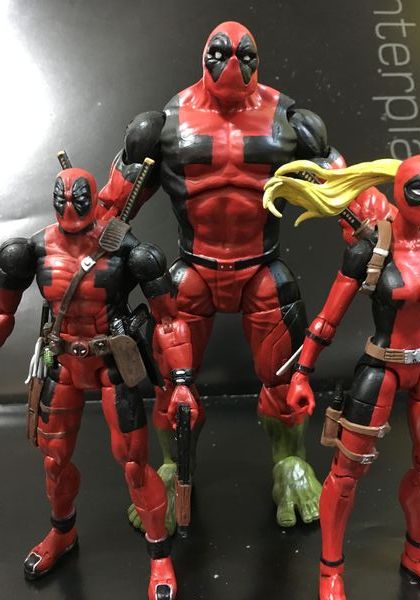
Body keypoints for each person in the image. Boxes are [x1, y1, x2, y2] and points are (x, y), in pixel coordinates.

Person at [99, 20, 391, 530]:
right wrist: (92, 257)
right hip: (194, 268)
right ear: (203, 57)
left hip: (261, 270)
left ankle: (289, 463)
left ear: (257, 59)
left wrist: (383, 224)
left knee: (283, 377)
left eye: (244, 54)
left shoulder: (292, 122)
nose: (233, 62)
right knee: (170, 380)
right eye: (221, 53)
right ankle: (171, 468)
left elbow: (343, 188)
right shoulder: (162, 125)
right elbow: (111, 209)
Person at [0, 164, 197, 600]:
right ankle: (63, 533)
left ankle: (159, 556)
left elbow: (169, 320)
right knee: (54, 460)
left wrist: (181, 381)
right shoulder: (30, 250)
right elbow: (3, 312)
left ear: (93, 199)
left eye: (79, 200)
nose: (71, 208)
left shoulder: (129, 251)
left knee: (133, 463)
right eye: (63, 200)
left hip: (112, 363)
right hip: (62, 363)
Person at [264, 153, 420, 599]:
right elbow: (328, 320)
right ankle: (330, 570)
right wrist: (302, 374)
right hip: (381, 367)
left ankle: (419, 553)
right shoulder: (370, 250)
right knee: (346, 474)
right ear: (399, 191)